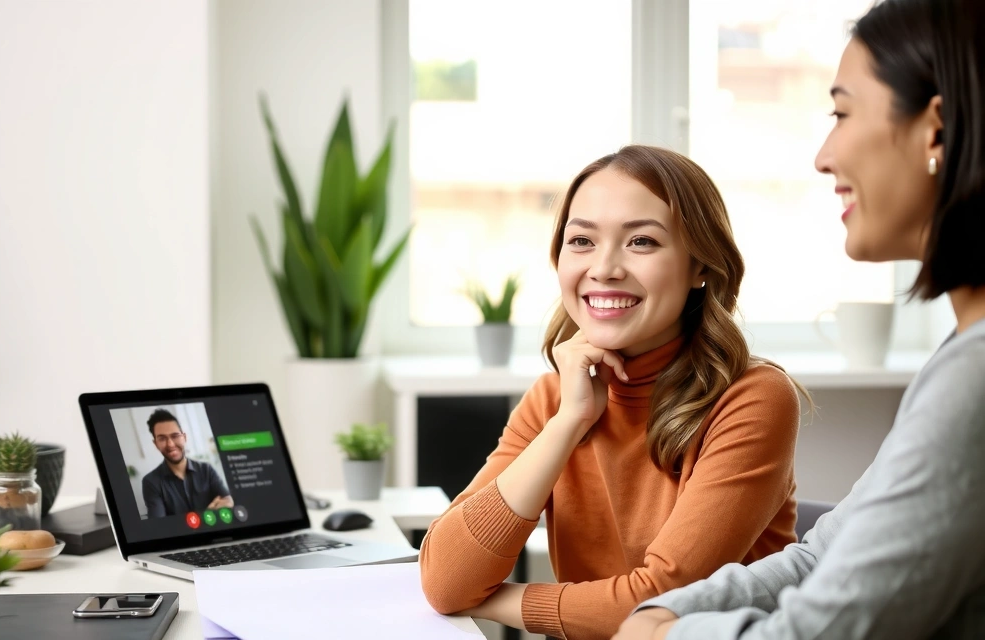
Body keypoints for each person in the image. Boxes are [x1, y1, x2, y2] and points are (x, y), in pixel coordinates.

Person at [613, 1, 985, 639]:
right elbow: (824, 555)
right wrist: (666, 613)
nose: (822, 155)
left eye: (841, 113)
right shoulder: (960, 355)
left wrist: (665, 633)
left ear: (937, 132)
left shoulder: (973, 380)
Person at [419, 144, 811, 640]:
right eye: (581, 240)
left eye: (641, 242)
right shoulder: (553, 398)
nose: (603, 268)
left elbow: (663, 603)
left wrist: (495, 600)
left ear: (701, 267)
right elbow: (443, 578)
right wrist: (568, 422)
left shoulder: (753, 399)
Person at [140, 408, 233, 518]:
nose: (170, 444)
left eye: (175, 436)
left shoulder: (206, 469)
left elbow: (227, 500)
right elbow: (160, 527)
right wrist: (207, 514)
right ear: (156, 444)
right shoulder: (151, 482)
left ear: (184, 437)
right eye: (162, 439)